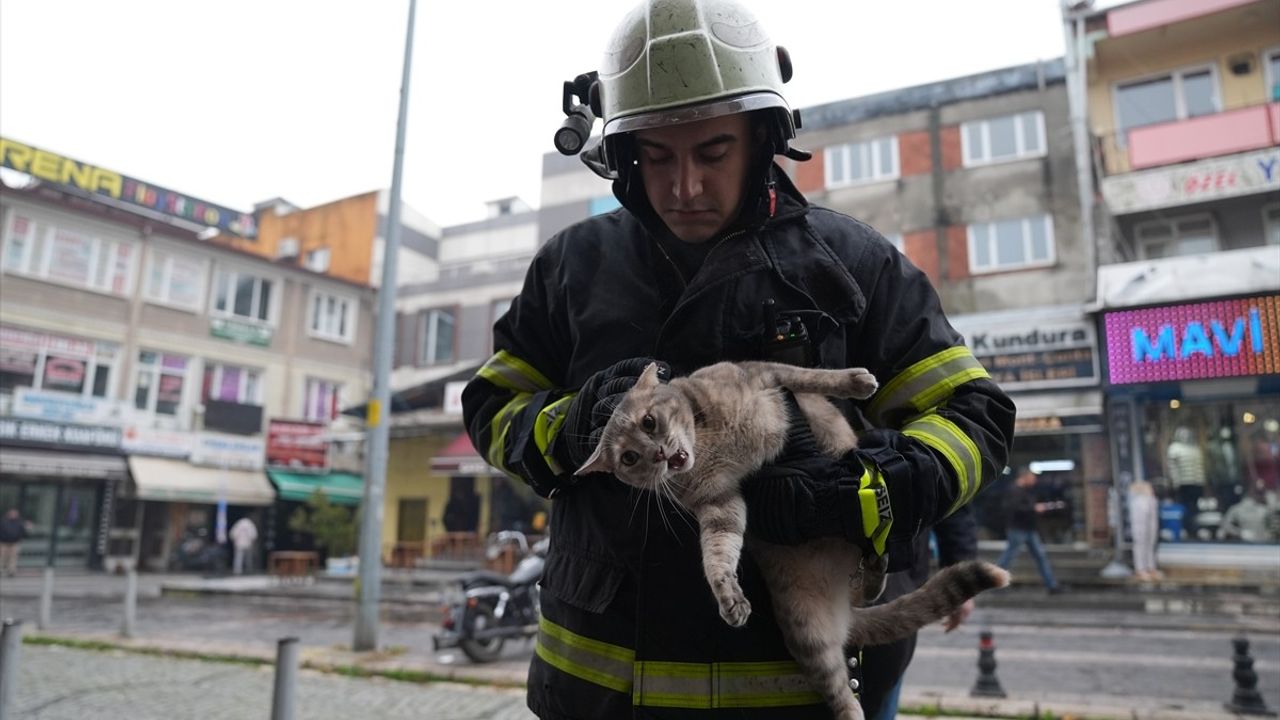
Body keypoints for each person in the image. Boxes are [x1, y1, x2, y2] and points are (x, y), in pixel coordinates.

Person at [461, 2, 1015, 717]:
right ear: (622, 152)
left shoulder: (852, 265)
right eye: (656, 155)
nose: (684, 186)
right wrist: (571, 428)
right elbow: (492, 407)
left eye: (712, 153)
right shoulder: (573, 267)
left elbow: (974, 416)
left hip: (811, 691)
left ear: (762, 137)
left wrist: (878, 489)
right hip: (601, 691)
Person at [868, 504, 980, 720]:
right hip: (892, 584)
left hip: (894, 584)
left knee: (881, 680)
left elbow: (953, 494)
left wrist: (960, 582)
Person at [996, 467, 1061, 594]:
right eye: (1032, 478)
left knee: (1040, 557)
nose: (1034, 481)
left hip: (1029, 529)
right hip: (1017, 529)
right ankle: (994, 582)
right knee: (1008, 557)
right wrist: (1034, 508)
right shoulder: (1013, 490)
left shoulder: (1025, 491)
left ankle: (1051, 585)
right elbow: (1014, 509)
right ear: (1024, 477)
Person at [1127, 480, 1161, 581]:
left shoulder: (1151, 499)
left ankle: (1150, 568)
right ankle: (1140, 569)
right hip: (1140, 523)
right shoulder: (1137, 500)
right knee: (1141, 543)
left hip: (1148, 520)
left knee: (1150, 543)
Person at [0, 508, 33, 577]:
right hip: (4, 542)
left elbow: (24, 533)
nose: (13, 515)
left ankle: (11, 571)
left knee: (13, 558)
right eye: (12, 513)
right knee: (2, 557)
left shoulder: (20, 522)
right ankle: (1, 570)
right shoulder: (3, 521)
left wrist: (28, 529)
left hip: (15, 543)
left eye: (15, 513)